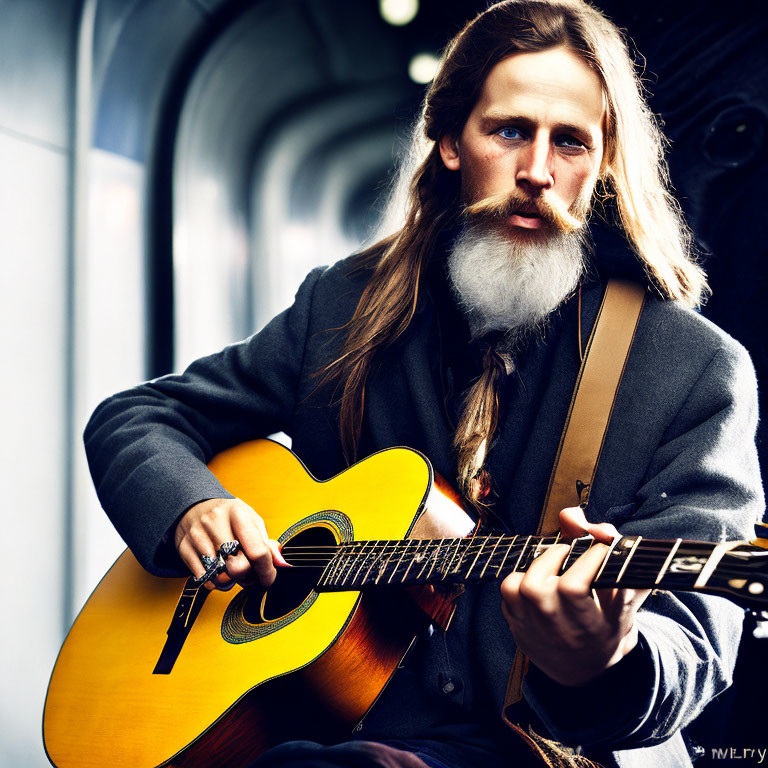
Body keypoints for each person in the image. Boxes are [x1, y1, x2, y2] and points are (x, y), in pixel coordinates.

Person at [84, 1, 763, 767]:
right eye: (508, 131)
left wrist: (606, 658)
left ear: (602, 165)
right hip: (343, 731)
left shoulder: (696, 368)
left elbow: (700, 638)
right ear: (449, 142)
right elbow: (138, 416)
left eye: (570, 142)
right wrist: (190, 504)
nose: (536, 172)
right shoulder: (343, 304)